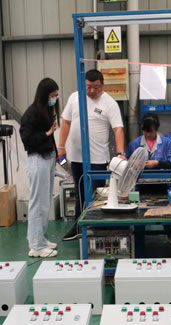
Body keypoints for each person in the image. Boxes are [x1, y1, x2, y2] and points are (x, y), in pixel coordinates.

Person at [58, 69, 125, 241]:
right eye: (88, 87)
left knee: (96, 195)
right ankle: (77, 227)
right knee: (79, 193)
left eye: (96, 87)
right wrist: (61, 146)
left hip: (98, 159)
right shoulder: (75, 98)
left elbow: (118, 129)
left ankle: (96, 228)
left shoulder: (109, 103)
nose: (92, 91)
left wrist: (120, 153)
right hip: (77, 158)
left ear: (102, 85)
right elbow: (66, 122)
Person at [125, 113, 171, 246]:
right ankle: (139, 238)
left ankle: (170, 235)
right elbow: (125, 163)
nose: (147, 134)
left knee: (166, 211)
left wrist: (157, 163)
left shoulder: (166, 143)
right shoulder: (135, 144)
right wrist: (133, 163)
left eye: (150, 131)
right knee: (139, 213)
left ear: (157, 128)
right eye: (145, 131)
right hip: (140, 186)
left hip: (162, 185)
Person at [20, 78, 61, 258]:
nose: (55, 98)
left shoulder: (47, 111)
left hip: (48, 158)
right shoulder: (32, 113)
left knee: (45, 203)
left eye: (56, 95)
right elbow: (27, 139)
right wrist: (47, 133)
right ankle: (36, 245)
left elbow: (50, 138)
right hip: (38, 159)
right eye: (52, 95)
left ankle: (41, 239)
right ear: (44, 95)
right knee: (38, 203)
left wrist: (56, 156)